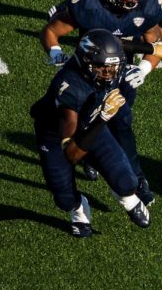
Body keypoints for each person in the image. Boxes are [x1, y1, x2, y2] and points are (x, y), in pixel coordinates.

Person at [42, 0, 162, 201]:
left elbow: (155, 42)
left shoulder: (146, 4)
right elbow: (51, 31)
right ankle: (102, 162)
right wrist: (56, 53)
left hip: (121, 72)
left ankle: (136, 178)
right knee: (88, 121)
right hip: (88, 74)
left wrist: (145, 67)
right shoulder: (89, 3)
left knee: (122, 122)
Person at [30, 29, 152, 237]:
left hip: (91, 120)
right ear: (87, 64)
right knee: (64, 197)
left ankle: (128, 199)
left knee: (126, 181)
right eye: (104, 68)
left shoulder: (102, 63)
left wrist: (152, 48)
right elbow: (71, 154)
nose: (110, 73)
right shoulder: (71, 88)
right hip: (57, 135)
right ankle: (79, 208)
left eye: (114, 67)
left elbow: (120, 45)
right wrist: (103, 118)